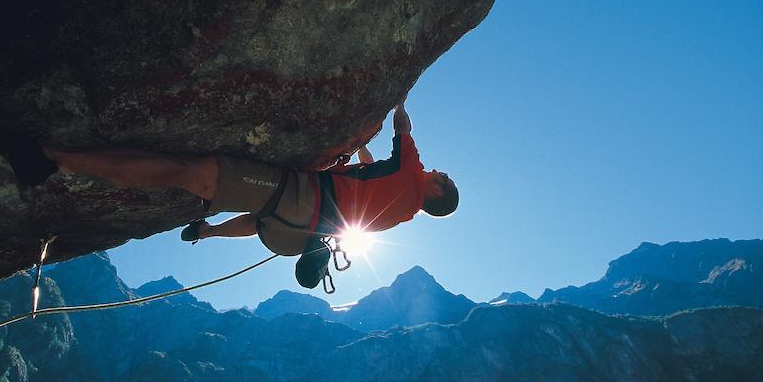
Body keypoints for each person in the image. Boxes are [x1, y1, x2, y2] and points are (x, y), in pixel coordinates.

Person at [43, 100, 458, 290]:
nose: (435, 170)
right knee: (261, 216)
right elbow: (368, 182)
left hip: (298, 198)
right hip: (293, 236)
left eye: (441, 175)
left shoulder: (413, 174)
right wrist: (362, 152)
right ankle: (206, 234)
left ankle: (58, 158)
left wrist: (398, 96)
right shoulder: (403, 212)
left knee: (189, 173)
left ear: (437, 188)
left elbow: (402, 129)